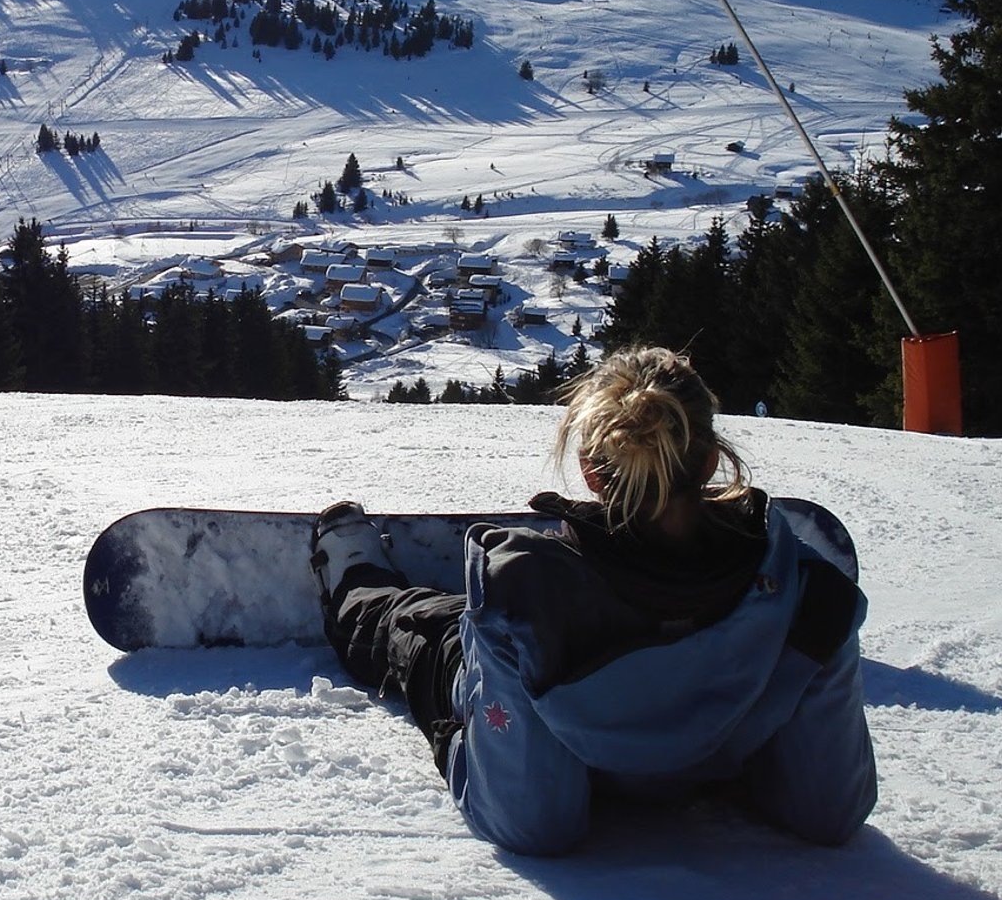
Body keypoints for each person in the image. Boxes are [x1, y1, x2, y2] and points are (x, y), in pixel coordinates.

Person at [311, 346, 876, 855]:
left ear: (592, 474)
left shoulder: (528, 597)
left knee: (417, 631)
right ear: (709, 463)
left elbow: (526, 820)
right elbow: (829, 810)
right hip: (724, 644)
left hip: (525, 635)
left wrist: (462, 736)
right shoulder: (810, 592)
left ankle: (359, 578)